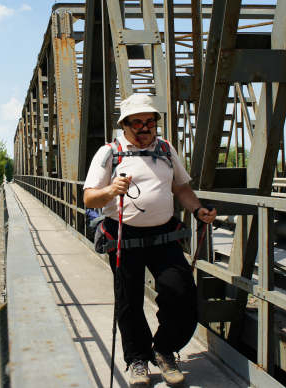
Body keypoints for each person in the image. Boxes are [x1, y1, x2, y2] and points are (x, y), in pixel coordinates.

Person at [83, 93, 217, 387]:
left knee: (181, 294)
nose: (145, 128)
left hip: (163, 233)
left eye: (150, 122)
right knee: (129, 301)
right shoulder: (109, 152)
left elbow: (181, 187)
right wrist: (110, 191)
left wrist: (197, 209)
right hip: (123, 235)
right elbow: (89, 196)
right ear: (125, 125)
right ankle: (137, 359)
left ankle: (164, 350)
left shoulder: (166, 150)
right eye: (137, 123)